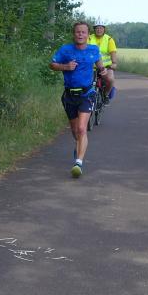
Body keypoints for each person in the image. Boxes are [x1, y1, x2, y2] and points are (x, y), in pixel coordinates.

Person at [50, 22, 107, 178]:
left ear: (88, 35)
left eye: (83, 32)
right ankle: (79, 146)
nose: (80, 34)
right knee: (75, 131)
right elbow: (52, 65)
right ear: (73, 34)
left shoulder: (93, 50)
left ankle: (78, 163)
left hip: (86, 94)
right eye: (77, 32)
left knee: (82, 129)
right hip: (69, 95)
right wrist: (65, 67)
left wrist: (103, 70)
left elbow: (99, 64)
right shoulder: (65, 50)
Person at [87, 22, 118, 102]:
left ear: (104, 29)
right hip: (90, 66)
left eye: (101, 28)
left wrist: (114, 63)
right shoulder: (89, 38)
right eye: (97, 28)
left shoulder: (109, 39)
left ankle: (106, 95)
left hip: (106, 67)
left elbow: (113, 52)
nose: (99, 30)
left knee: (110, 79)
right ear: (94, 29)